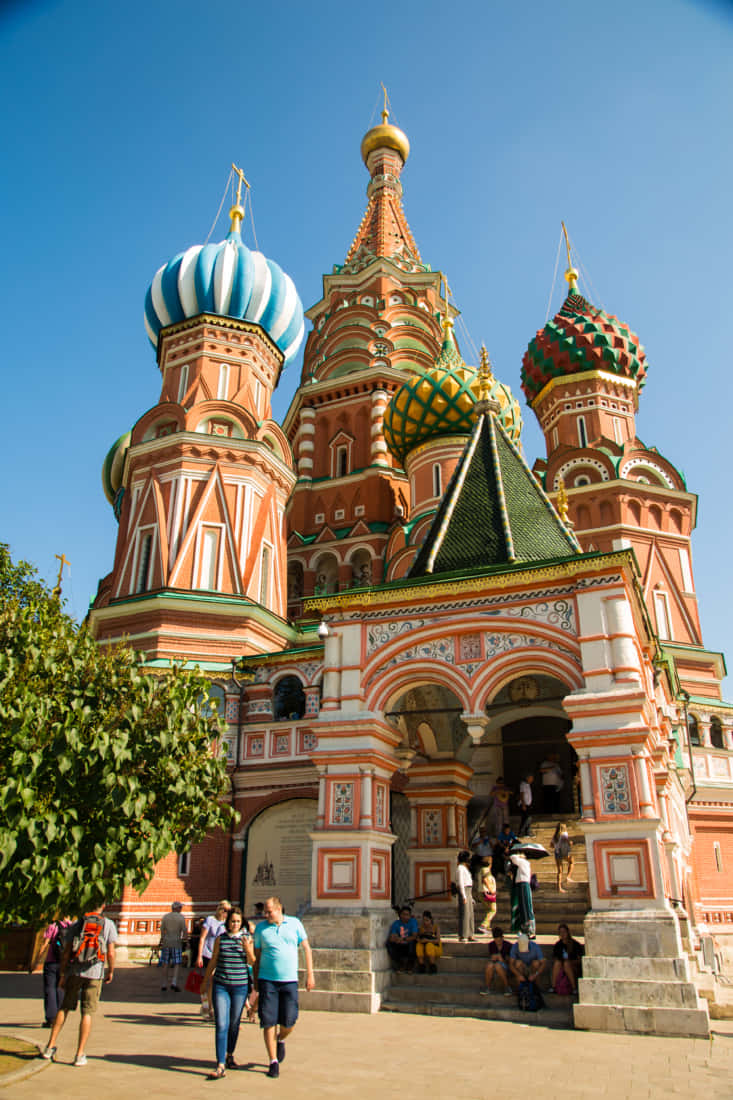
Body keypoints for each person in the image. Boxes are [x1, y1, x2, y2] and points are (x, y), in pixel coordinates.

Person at [41, 904, 117, 1066]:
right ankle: (79, 1054)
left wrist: (63, 973)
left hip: (75, 971)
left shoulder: (78, 923)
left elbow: (67, 951)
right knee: (87, 1013)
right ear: (103, 905)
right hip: (95, 973)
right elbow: (110, 951)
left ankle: (49, 1047)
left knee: (64, 1008)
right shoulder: (108, 924)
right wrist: (110, 971)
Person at [254, 895, 315, 1079]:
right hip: (267, 980)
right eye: (265, 911)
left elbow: (306, 947)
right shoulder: (261, 929)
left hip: (289, 980)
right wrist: (255, 981)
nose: (266, 914)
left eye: (269, 911)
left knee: (289, 1020)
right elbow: (256, 955)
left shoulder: (295, 924)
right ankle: (273, 1062)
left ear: (279, 909)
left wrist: (310, 974)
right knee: (268, 1021)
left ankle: (280, 1038)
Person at [201, 906, 256, 1079]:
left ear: (242, 923)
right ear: (227, 922)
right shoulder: (221, 939)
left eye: (238, 922)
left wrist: (247, 949)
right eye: (232, 921)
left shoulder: (247, 939)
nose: (235, 924)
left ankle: (229, 1054)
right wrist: (205, 981)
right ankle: (220, 1064)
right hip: (221, 985)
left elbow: (253, 962)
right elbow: (213, 961)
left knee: (234, 1024)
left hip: (240, 987)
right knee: (221, 1024)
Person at [35, 917, 72, 1027]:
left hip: (51, 962)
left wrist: (36, 961)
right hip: (65, 963)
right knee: (60, 988)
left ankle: (51, 1018)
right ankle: (60, 1018)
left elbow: (45, 943)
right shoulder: (72, 927)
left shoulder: (53, 926)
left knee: (50, 988)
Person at [197, 899, 231, 1019]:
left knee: (214, 981)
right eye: (224, 910)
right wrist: (199, 955)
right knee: (209, 980)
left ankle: (209, 1007)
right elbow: (202, 938)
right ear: (219, 909)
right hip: (208, 954)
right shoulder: (210, 920)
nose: (225, 913)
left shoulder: (228, 923)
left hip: (221, 956)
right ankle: (206, 1005)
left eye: (228, 910)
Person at [159, 900, 187, 992]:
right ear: (177, 908)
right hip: (176, 943)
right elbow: (184, 931)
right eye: (180, 907)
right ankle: (174, 982)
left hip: (167, 942)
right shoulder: (181, 918)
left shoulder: (166, 917)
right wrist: (185, 940)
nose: (181, 909)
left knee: (165, 963)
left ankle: (164, 983)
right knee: (177, 963)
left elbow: (162, 929)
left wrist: (163, 938)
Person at [550, 923, 584, 994]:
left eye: (564, 932)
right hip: (561, 969)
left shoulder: (575, 944)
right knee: (557, 963)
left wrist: (570, 962)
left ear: (568, 932)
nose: (562, 934)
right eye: (560, 932)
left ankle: (574, 988)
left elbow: (580, 960)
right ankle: (553, 987)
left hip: (573, 968)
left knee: (566, 964)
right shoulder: (558, 945)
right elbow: (555, 958)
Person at [509, 849, 536, 937]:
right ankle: (526, 929)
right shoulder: (525, 863)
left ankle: (530, 930)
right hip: (521, 884)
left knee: (526, 907)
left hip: (523, 884)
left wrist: (519, 856)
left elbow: (512, 857)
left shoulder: (523, 862)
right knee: (523, 907)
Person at [480, 925, 514, 996]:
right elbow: (491, 957)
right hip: (495, 964)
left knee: (498, 965)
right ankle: (487, 987)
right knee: (490, 965)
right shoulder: (491, 945)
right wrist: (493, 958)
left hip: (506, 966)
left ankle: (507, 987)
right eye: (496, 940)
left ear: (502, 938)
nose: (498, 942)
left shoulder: (508, 946)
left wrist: (502, 959)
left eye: (499, 940)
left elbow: (511, 961)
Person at [386, 906, 418, 972]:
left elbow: (414, 935)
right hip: (400, 944)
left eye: (407, 915)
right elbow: (392, 936)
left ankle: (410, 965)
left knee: (414, 943)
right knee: (389, 944)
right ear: (400, 915)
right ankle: (400, 963)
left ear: (410, 915)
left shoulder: (413, 922)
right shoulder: (396, 923)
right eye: (403, 914)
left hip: (409, 943)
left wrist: (404, 939)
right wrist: (397, 939)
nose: (405, 916)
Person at [456, 850, 475, 942]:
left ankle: (470, 934)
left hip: (468, 891)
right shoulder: (460, 868)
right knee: (464, 914)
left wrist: (470, 897)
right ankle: (463, 935)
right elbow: (461, 882)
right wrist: (464, 896)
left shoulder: (465, 868)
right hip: (464, 891)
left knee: (470, 914)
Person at [551, 822, 574, 892]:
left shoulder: (555, 836)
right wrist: (571, 843)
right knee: (571, 861)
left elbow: (551, 845)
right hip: (563, 851)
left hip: (557, 852)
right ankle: (568, 877)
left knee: (559, 871)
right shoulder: (564, 834)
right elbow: (567, 842)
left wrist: (556, 844)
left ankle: (559, 887)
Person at [477, 857, 497, 933]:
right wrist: (491, 890)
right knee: (493, 910)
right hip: (486, 892)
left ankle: (487, 927)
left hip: (482, 891)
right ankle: (484, 925)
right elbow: (485, 879)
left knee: (488, 910)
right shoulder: (486, 870)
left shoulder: (481, 870)